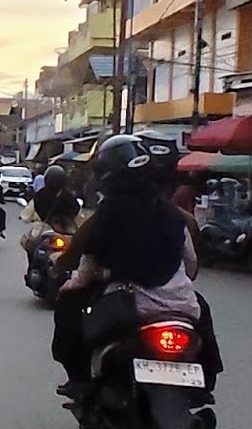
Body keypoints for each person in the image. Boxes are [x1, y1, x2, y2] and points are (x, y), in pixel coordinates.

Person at [51, 133, 201, 398]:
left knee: (68, 305)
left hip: (129, 307)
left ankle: (79, 379)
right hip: (181, 304)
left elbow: (87, 261)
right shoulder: (172, 214)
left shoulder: (108, 212)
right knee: (203, 322)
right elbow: (191, 265)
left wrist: (71, 284)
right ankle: (205, 381)